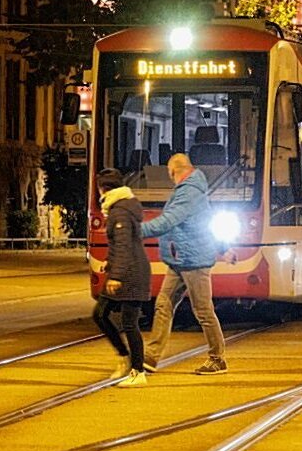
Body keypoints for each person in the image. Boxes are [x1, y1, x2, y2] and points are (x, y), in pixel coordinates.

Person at [142, 154, 231, 376]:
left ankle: (217, 358)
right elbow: (207, 222)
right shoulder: (192, 189)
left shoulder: (188, 191)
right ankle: (151, 357)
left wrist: (137, 230)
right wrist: (223, 247)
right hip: (180, 259)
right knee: (163, 304)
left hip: (194, 260)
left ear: (174, 171)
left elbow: (169, 220)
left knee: (203, 310)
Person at [92, 168, 150, 388]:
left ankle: (138, 370)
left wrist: (115, 275)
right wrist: (109, 260)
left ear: (104, 188)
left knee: (129, 322)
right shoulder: (120, 208)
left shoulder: (121, 212)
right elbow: (120, 244)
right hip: (125, 270)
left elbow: (125, 245)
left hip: (131, 274)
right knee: (100, 314)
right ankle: (125, 357)